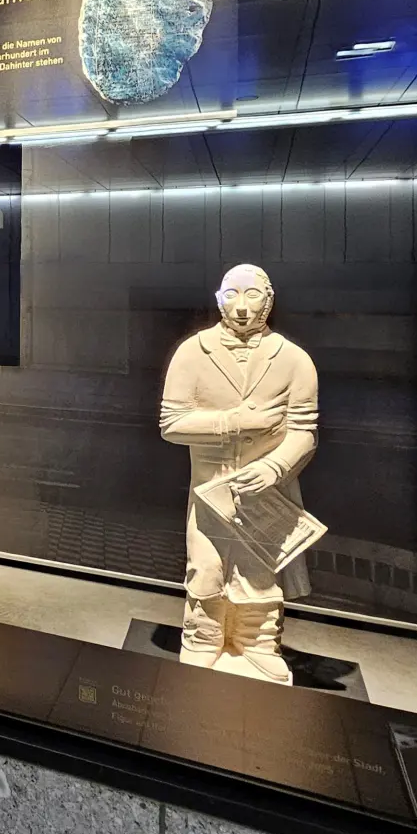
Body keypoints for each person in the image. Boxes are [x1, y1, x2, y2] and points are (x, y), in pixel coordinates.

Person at [159, 263, 319, 685]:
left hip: (269, 492)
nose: (243, 307)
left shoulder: (294, 360)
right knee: (206, 565)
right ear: (218, 298)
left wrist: (274, 467)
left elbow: (305, 432)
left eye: (253, 296)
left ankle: (256, 642)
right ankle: (204, 637)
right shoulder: (193, 352)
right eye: (232, 294)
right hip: (211, 489)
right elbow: (171, 423)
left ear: (270, 300)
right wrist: (233, 422)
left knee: (260, 570)